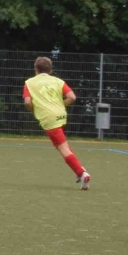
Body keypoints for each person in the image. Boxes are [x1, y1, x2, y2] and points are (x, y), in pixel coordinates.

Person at [22, 56, 89, 188]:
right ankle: (80, 171)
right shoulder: (58, 81)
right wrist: (60, 105)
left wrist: (35, 110)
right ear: (50, 70)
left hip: (48, 119)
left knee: (62, 148)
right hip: (61, 116)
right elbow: (72, 97)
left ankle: (82, 173)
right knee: (63, 145)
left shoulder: (29, 83)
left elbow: (27, 102)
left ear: (35, 69)